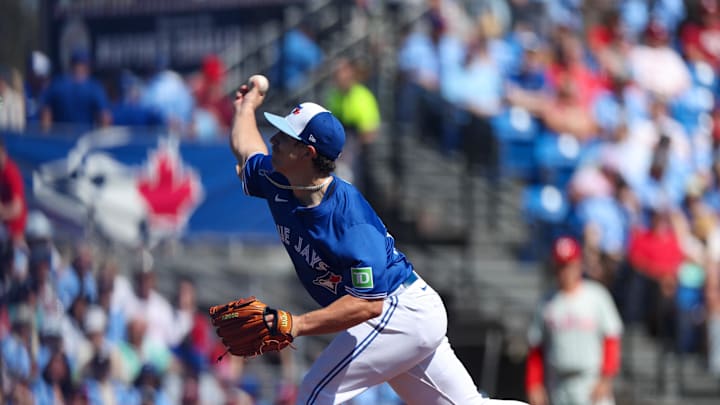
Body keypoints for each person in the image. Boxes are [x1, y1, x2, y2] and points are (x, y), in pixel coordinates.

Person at [226, 76, 528, 404]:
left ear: (306, 152)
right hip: (401, 314)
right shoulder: (278, 178)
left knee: (315, 392)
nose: (275, 140)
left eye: (285, 136)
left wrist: (295, 324)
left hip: (400, 309)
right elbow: (247, 149)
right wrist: (247, 107)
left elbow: (368, 303)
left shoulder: (348, 217)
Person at [526, 237, 623, 405]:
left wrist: (606, 379)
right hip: (558, 383)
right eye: (560, 266)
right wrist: (533, 383)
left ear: (578, 264)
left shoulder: (596, 296)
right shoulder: (547, 302)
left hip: (590, 380)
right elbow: (536, 347)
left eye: (569, 265)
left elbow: (611, 339)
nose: (565, 271)